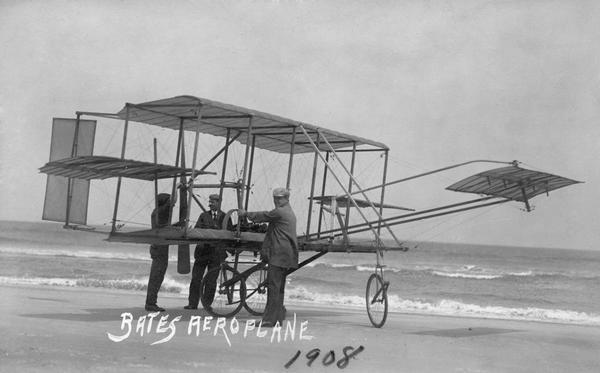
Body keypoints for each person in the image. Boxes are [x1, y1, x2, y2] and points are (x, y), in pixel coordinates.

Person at [239, 187, 298, 327]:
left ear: (286, 199)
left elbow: (264, 215)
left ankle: (268, 320)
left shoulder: (280, 212)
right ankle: (277, 318)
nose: (276, 201)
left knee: (273, 288)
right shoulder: (289, 212)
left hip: (278, 255)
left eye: (279, 198)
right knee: (279, 288)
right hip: (286, 256)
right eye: (275, 198)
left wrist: (246, 214)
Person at [184, 194, 232, 310]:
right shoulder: (203, 216)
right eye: (209, 202)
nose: (210, 204)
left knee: (211, 281)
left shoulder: (225, 217)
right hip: (202, 252)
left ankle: (207, 304)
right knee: (196, 279)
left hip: (216, 254)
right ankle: (192, 304)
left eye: (213, 202)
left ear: (219, 203)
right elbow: (197, 231)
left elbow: (229, 234)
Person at [145, 192, 176, 312]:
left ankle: (151, 302)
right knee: (157, 276)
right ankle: (151, 303)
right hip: (160, 248)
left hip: (156, 247)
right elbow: (173, 201)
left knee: (156, 276)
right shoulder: (162, 210)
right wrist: (177, 185)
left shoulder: (156, 211)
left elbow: (163, 227)